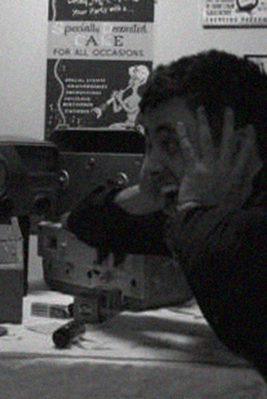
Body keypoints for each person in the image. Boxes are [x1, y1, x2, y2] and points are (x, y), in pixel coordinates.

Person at [65, 49, 267, 379]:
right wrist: (146, 194)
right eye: (148, 146)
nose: (151, 166)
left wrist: (193, 211)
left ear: (237, 145)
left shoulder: (228, 227)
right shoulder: (202, 214)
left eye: (170, 144)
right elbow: (86, 220)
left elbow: (231, 268)